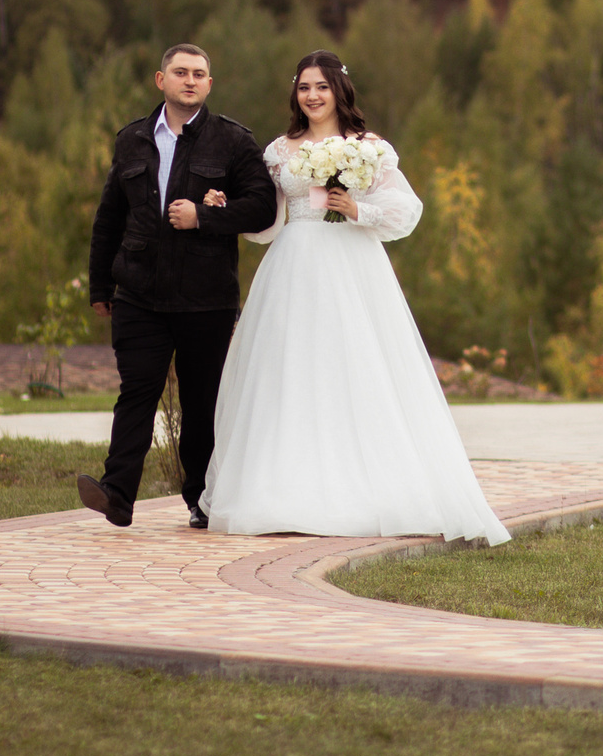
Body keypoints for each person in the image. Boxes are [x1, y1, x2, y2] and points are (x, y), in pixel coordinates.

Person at [196, 50, 510, 544]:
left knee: (353, 365)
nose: (312, 96)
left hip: (350, 262)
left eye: (321, 86)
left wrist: (356, 208)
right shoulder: (280, 150)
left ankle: (363, 488)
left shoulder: (368, 148)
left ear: (339, 90)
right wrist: (226, 208)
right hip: (293, 262)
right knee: (288, 371)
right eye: (304, 87)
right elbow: (269, 220)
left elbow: (405, 209)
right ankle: (282, 490)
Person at [77, 43, 277, 530]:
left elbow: (263, 208)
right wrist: (101, 285)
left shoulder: (233, 141)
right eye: (180, 72)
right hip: (139, 295)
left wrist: (205, 216)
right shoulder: (132, 140)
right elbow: (109, 218)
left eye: (200, 74)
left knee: (201, 402)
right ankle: (117, 495)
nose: (190, 80)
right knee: (136, 393)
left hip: (205, 299)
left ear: (210, 84)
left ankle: (201, 500)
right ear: (159, 80)